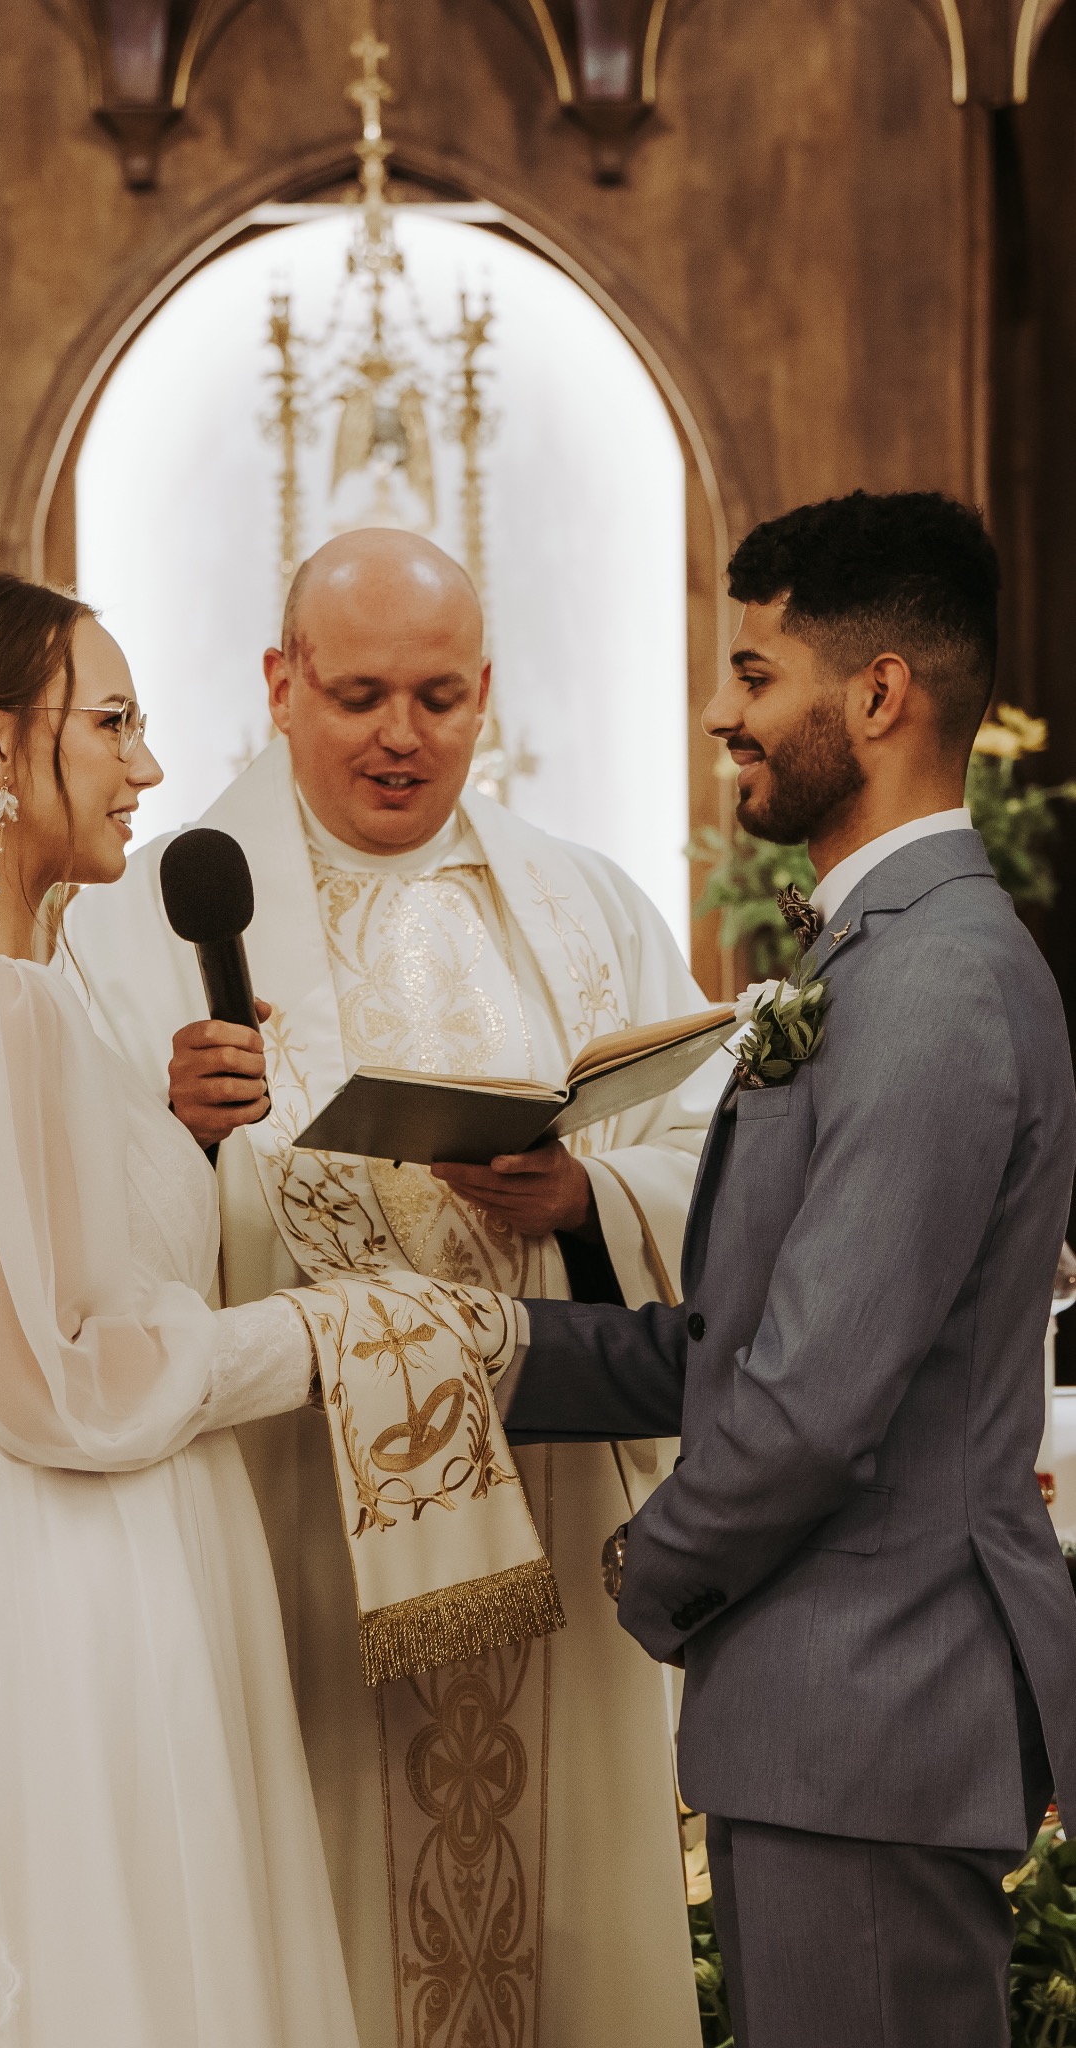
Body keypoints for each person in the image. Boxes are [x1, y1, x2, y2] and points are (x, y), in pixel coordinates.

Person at [0, 571, 468, 2048]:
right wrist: (336, 1335)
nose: (150, 766)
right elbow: (57, 1388)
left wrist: (174, 1142)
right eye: (113, 721)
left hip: (35, 1559)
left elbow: (43, 1284)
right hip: (78, 1582)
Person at [66, 528, 722, 2048]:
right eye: (359, 694)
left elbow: (707, 1149)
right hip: (301, 1526)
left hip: (551, 1511)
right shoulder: (145, 920)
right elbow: (69, 1233)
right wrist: (173, 1124)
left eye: (439, 696)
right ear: (279, 686)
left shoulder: (585, 903)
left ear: (487, 692)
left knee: (562, 1929)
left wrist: (589, 1193)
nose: (401, 736)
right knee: (336, 1918)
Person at [498, 492, 1076, 2048]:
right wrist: (460, 1350)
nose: (719, 714)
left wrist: (653, 1569)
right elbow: (731, 1342)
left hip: (873, 1710)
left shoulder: (938, 980)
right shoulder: (869, 957)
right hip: (830, 1721)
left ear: (876, 695)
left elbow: (814, 1397)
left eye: (756, 675)